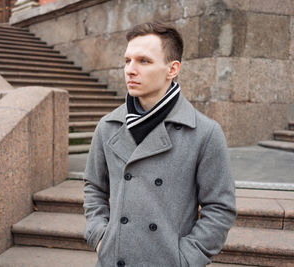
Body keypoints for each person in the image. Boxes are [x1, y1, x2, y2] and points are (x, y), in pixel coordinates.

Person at [83, 21, 237, 267]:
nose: (130, 70)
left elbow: (219, 208)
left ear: (172, 69)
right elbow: (94, 187)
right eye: (127, 60)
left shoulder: (205, 133)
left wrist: (185, 258)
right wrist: (100, 236)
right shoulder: (108, 126)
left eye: (144, 61)